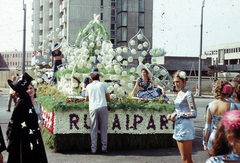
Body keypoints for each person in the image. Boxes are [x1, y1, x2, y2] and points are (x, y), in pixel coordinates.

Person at [6, 73, 48, 163]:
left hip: (24, 142)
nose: (29, 90)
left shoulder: (22, 103)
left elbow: (13, 126)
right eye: (27, 89)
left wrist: (11, 141)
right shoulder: (25, 102)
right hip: (30, 140)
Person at [167, 70, 197, 163]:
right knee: (183, 159)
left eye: (177, 82)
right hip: (178, 126)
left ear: (184, 81)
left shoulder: (189, 94)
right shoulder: (179, 93)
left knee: (187, 159)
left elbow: (194, 113)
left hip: (186, 127)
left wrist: (177, 114)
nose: (175, 84)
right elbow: (178, 109)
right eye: (174, 82)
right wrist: (172, 115)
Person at [203, 80, 237, 151]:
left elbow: (207, 127)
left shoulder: (210, 106)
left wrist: (205, 142)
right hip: (227, 137)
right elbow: (235, 126)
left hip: (214, 136)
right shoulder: (233, 106)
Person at [85, 72, 110, 154]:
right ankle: (104, 147)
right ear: (99, 78)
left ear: (91, 79)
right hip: (102, 107)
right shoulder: (103, 84)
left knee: (94, 129)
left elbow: (87, 99)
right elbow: (108, 97)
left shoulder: (88, 86)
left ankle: (93, 149)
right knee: (103, 128)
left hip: (93, 108)